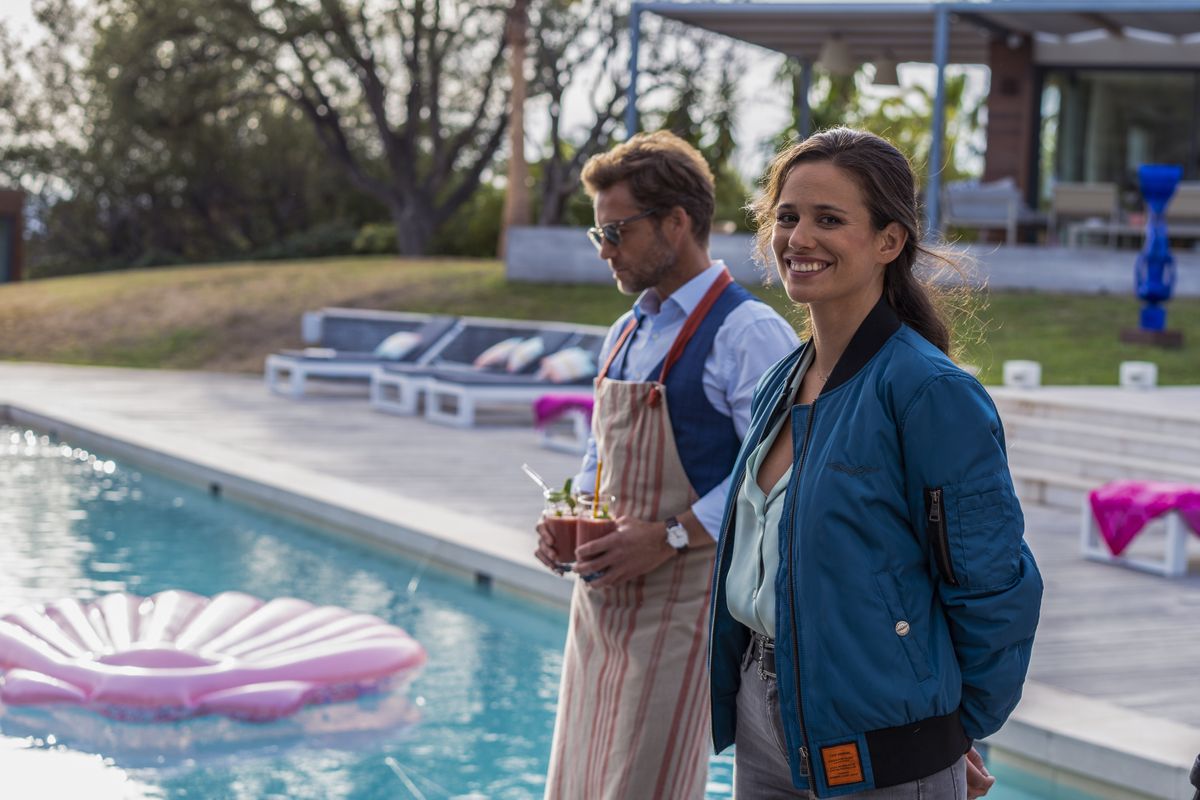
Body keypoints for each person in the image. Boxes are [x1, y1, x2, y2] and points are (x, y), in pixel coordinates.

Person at [707, 128, 1043, 799]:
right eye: (788, 216)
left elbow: (997, 590)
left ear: (890, 242)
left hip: (885, 741)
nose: (799, 238)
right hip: (767, 716)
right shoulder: (784, 379)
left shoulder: (929, 393)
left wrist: (952, 733)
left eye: (830, 219)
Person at [533, 130, 799, 799]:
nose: (605, 252)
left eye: (616, 231)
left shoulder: (748, 332)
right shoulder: (625, 331)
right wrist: (567, 516)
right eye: (599, 235)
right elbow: (601, 452)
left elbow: (774, 477)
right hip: (600, 600)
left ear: (676, 223)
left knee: (643, 785)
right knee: (578, 779)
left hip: (685, 607)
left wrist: (672, 533)